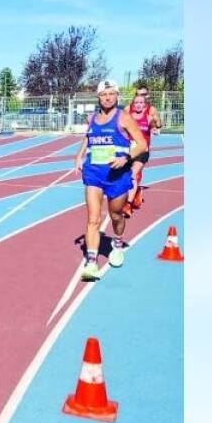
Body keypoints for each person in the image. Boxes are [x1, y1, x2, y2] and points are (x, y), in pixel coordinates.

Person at [72, 80, 149, 281]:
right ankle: (91, 262)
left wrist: (126, 158)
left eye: (111, 94)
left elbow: (142, 145)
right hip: (94, 174)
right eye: (104, 94)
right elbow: (88, 137)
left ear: (117, 96)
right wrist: (79, 156)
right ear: (98, 97)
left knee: (116, 216)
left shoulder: (123, 118)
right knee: (93, 219)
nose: (107, 97)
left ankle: (117, 243)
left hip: (117, 176)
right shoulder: (92, 118)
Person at [124, 85, 163, 213]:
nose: (140, 101)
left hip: (142, 149)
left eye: (144, 95)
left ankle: (128, 204)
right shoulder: (127, 110)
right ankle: (135, 192)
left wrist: (156, 128)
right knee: (126, 175)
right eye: (138, 96)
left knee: (134, 174)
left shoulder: (151, 112)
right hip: (128, 148)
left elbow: (157, 125)